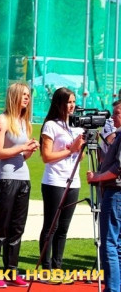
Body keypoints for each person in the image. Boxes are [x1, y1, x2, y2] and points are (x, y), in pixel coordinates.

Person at [0, 83, 39, 288]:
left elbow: (21, 156)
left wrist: (29, 150)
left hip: (23, 178)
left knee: (17, 228)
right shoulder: (2, 119)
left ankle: (11, 270)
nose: (26, 98)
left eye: (28, 95)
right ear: (14, 96)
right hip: (6, 179)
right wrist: (22, 146)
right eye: (23, 95)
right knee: (0, 227)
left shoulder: (24, 122)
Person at [38, 87, 85, 284]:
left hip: (73, 181)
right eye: (68, 102)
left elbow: (80, 157)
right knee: (51, 226)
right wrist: (70, 150)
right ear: (59, 103)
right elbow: (46, 156)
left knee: (63, 228)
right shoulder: (51, 125)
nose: (72, 105)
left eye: (73, 101)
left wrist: (80, 149)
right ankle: (46, 269)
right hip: (54, 181)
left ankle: (57, 267)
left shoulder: (78, 126)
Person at [87, 100, 121, 292]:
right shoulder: (118, 135)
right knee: (117, 244)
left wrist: (97, 177)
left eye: (117, 113)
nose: (112, 117)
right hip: (115, 192)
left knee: (108, 243)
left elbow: (117, 169)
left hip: (115, 192)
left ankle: (113, 288)